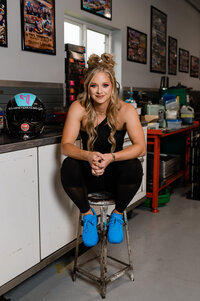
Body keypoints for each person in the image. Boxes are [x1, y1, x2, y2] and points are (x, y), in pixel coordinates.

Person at [60, 53, 146, 247]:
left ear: (113, 86)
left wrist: (111, 157)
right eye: (94, 85)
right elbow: (65, 145)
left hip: (115, 177)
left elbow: (141, 148)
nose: (100, 91)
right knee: (69, 165)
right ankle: (88, 215)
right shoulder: (78, 108)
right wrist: (88, 156)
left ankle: (117, 216)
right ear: (87, 87)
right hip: (88, 176)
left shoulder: (126, 110)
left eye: (105, 85)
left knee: (133, 166)